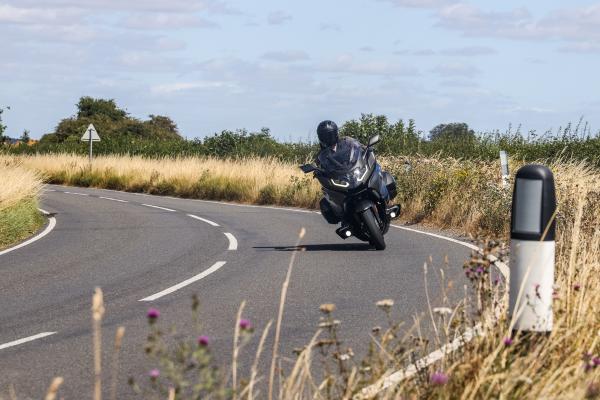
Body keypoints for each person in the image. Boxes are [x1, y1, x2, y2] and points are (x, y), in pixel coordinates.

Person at [315, 120, 396, 221]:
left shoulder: (346, 141)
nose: (329, 138)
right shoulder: (321, 155)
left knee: (378, 173)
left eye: (330, 135)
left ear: (336, 133)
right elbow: (321, 168)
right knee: (328, 199)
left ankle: (385, 201)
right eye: (326, 136)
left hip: (355, 170)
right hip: (340, 179)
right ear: (321, 137)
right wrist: (317, 171)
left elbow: (359, 147)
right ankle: (346, 218)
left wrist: (367, 149)